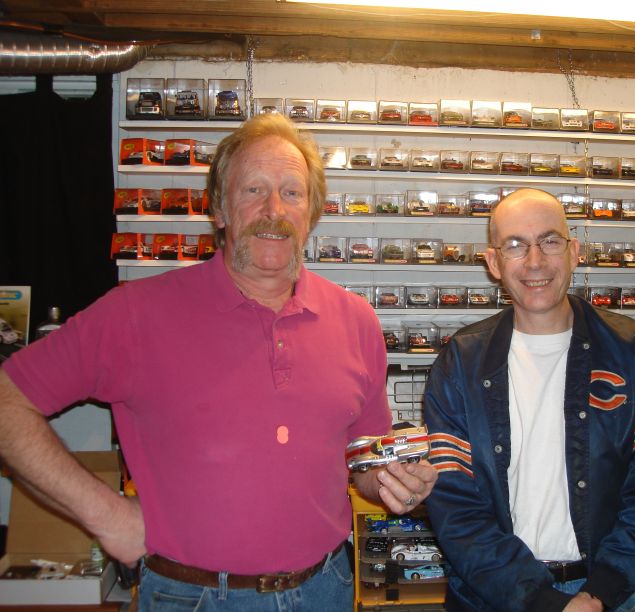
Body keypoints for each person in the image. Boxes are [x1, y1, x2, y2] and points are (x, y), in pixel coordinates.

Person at [0, 113, 436, 610]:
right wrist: (106, 516)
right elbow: (7, 403)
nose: (274, 209)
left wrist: (395, 483)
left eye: (292, 193)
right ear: (220, 209)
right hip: (194, 596)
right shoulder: (137, 313)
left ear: (311, 213)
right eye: (253, 190)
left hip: (327, 587)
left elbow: (365, 463)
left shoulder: (355, 320)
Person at [423, 189, 635, 611]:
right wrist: (541, 600)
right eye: (515, 245)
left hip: (604, 593)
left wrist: (601, 591)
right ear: (493, 263)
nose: (534, 261)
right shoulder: (461, 360)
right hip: (493, 595)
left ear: (574, 251)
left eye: (549, 241)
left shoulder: (627, 348)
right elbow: (454, 502)